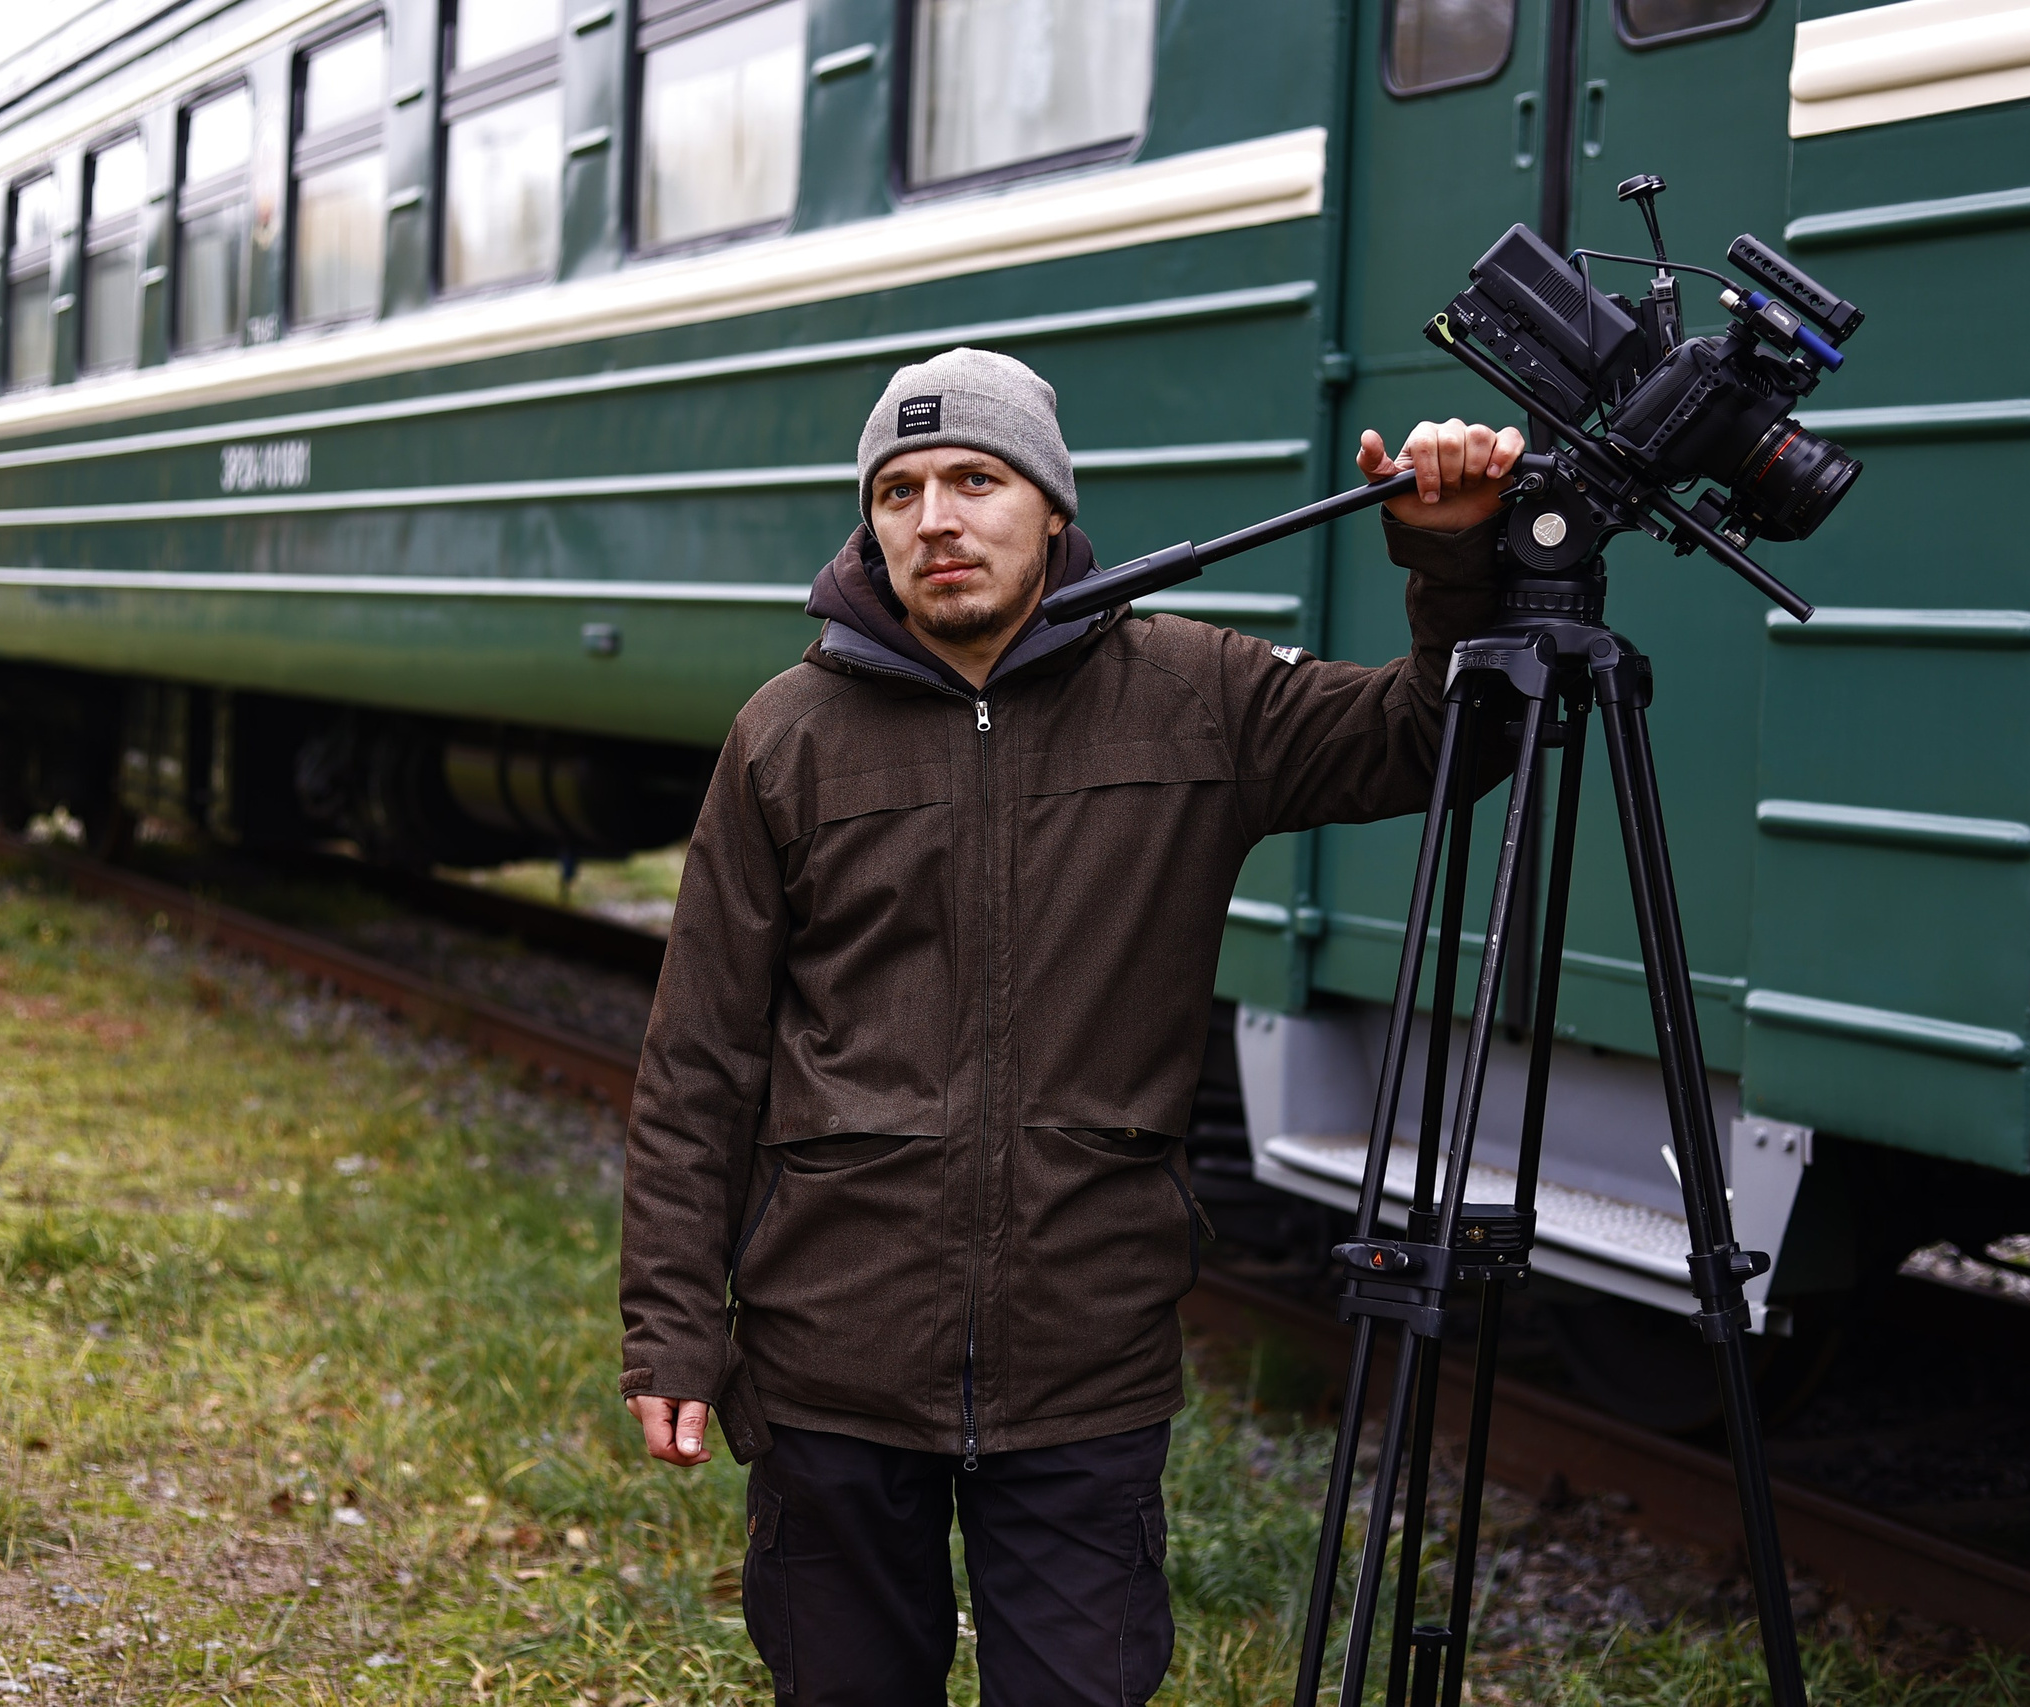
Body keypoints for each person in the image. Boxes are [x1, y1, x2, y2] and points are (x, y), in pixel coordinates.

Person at [619, 346, 1523, 1706]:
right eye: (900, 489)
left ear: (1050, 506)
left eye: (975, 479)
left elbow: (1432, 735)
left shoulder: (1197, 694)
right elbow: (700, 1062)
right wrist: (674, 1328)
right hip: (831, 1359)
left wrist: (1452, 558)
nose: (936, 518)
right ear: (869, 522)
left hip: (1082, 1356)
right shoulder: (787, 736)